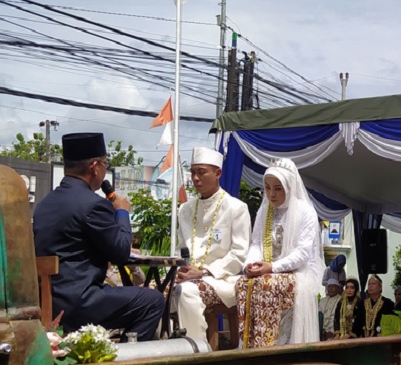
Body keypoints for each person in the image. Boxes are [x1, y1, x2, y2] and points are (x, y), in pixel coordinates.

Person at [33, 132, 162, 341]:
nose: (104, 169)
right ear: (94, 167)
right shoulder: (93, 205)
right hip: (80, 303)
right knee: (152, 301)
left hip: (48, 301)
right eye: (105, 163)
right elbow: (121, 253)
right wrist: (122, 212)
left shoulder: (44, 205)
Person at [238, 157, 323, 347]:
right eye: (267, 188)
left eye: (277, 188)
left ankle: (269, 346)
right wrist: (250, 265)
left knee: (268, 284)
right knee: (242, 283)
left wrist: (272, 267)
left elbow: (302, 254)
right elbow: (256, 244)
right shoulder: (264, 211)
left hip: (297, 273)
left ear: (290, 186)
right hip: (267, 270)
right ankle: (248, 345)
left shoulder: (305, 212)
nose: (271, 194)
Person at [172, 147, 251, 343]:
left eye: (201, 172)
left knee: (186, 291)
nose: (195, 178)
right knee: (154, 293)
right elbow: (180, 248)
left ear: (218, 174)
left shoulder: (236, 208)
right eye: (193, 172)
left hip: (222, 279)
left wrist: (203, 272)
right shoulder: (185, 209)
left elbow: (239, 255)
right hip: (188, 276)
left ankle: (195, 351)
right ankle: (164, 351)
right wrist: (181, 267)